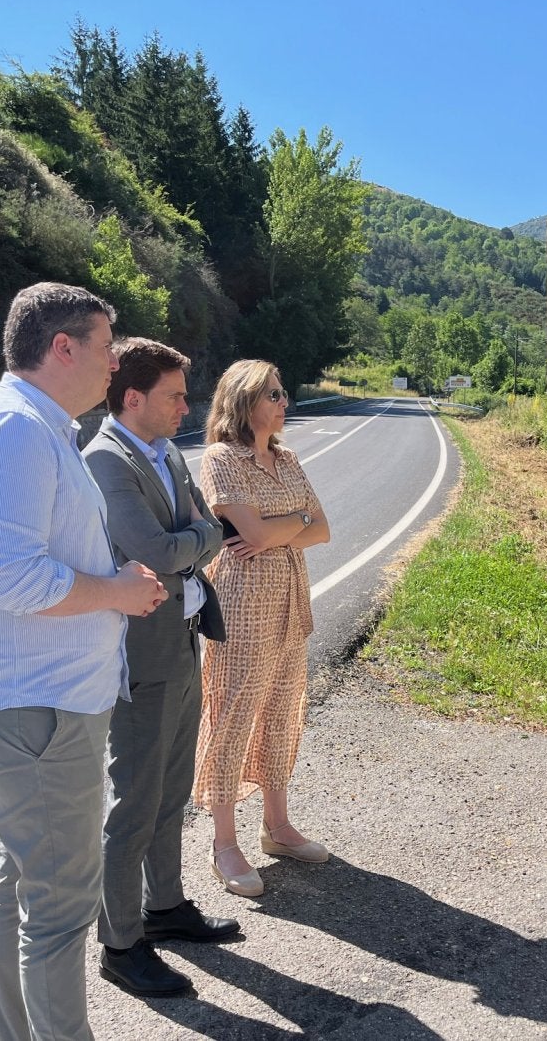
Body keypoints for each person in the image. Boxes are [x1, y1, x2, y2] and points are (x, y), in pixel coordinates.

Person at [0, 282, 167, 1041]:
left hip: (36, 702)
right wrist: (118, 592)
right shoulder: (14, 430)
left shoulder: (33, 426)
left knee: (22, 886)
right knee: (61, 907)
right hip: (36, 706)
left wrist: (114, 587)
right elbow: (15, 579)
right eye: (106, 347)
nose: (115, 363)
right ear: (62, 347)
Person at [82, 338, 239, 997]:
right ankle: (120, 944)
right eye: (174, 396)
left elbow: (203, 532)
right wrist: (201, 535)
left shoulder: (166, 451)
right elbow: (161, 549)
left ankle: (165, 906)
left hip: (182, 639)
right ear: (133, 397)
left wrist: (196, 536)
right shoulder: (105, 460)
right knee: (135, 803)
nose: (186, 407)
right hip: (140, 654)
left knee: (171, 791)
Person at [195, 359, 331, 898]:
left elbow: (322, 530)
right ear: (244, 401)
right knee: (232, 716)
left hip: (290, 599)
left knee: (281, 709)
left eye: (283, 392)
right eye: (273, 394)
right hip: (243, 603)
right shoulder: (221, 458)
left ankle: (277, 827)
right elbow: (249, 532)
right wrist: (294, 522)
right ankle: (224, 844)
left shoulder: (288, 458)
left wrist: (283, 529)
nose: (283, 402)